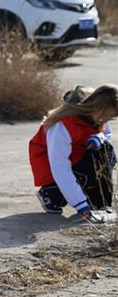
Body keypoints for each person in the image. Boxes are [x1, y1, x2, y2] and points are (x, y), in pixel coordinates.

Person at [29, 84, 118, 216]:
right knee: (67, 189)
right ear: (95, 107)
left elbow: (106, 135)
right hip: (52, 168)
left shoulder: (98, 116)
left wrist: (100, 137)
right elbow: (60, 168)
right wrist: (81, 205)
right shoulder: (61, 125)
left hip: (77, 157)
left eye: (110, 118)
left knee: (106, 150)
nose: (105, 121)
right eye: (105, 116)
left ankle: (101, 203)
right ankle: (49, 193)